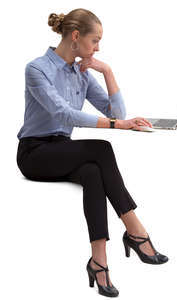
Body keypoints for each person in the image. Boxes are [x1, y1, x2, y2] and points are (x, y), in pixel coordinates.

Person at [16, 8, 168, 297]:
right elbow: (64, 114)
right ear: (76, 36)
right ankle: (135, 229)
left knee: (93, 172)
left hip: (62, 150)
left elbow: (116, 113)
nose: (97, 47)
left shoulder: (81, 74)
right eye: (94, 41)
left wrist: (106, 70)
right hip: (34, 154)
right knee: (101, 147)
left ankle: (99, 262)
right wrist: (118, 124)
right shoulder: (36, 69)